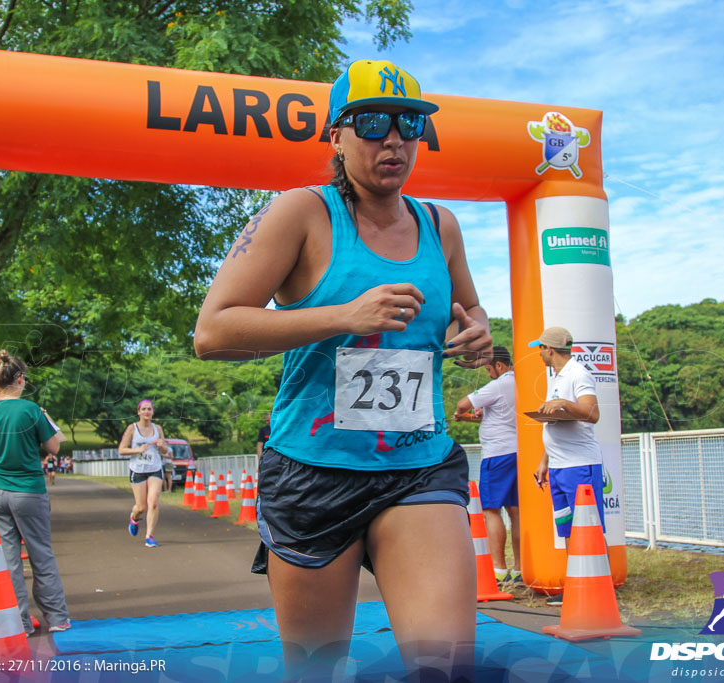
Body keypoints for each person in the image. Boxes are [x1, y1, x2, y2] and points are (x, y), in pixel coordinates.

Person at [194, 59, 492, 680]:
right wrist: (343, 315)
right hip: (312, 470)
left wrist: (475, 330)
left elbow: (469, 307)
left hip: (417, 465)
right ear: (336, 134)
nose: (393, 139)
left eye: (410, 124)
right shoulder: (300, 214)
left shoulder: (442, 225)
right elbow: (213, 332)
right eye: (372, 122)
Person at [0, 350, 71, 635]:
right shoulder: (31, 410)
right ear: (20, 379)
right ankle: (57, 619)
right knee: (41, 553)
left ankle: (19, 623)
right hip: (28, 491)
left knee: (8, 560)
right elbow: (53, 448)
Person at [529, 326, 605, 607]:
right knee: (568, 529)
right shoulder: (557, 376)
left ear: (549, 349)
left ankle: (599, 588)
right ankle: (577, 586)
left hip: (580, 465)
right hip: (559, 466)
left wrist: (564, 403)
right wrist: (543, 461)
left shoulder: (578, 373)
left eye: (540, 348)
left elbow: (592, 413)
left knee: (589, 528)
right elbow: (557, 422)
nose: (538, 353)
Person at [453, 345, 521, 585]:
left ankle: (499, 570)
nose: (488, 374)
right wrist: (476, 415)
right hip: (516, 452)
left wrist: (464, 412)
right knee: (515, 511)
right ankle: (520, 568)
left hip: (497, 455)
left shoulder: (499, 384)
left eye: (489, 370)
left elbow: (462, 403)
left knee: (491, 510)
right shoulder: (519, 383)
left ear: (499, 366)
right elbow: (496, 417)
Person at [117, 399, 169, 548]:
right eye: (144, 409)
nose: (147, 412)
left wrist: (162, 445)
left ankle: (149, 536)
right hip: (138, 470)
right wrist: (137, 450)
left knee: (153, 502)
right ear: (138, 412)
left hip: (155, 468)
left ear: (153, 412)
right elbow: (121, 449)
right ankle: (134, 518)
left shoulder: (157, 428)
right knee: (141, 507)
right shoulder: (132, 429)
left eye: (149, 409)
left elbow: (165, 450)